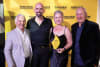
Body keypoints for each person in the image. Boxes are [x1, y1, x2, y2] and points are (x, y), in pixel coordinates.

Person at [26, 3, 53, 67]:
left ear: (43, 10)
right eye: (37, 8)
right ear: (34, 10)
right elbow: (26, 36)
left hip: (45, 51)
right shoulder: (30, 22)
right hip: (33, 51)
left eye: (41, 9)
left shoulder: (49, 21)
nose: (39, 10)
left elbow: (52, 36)